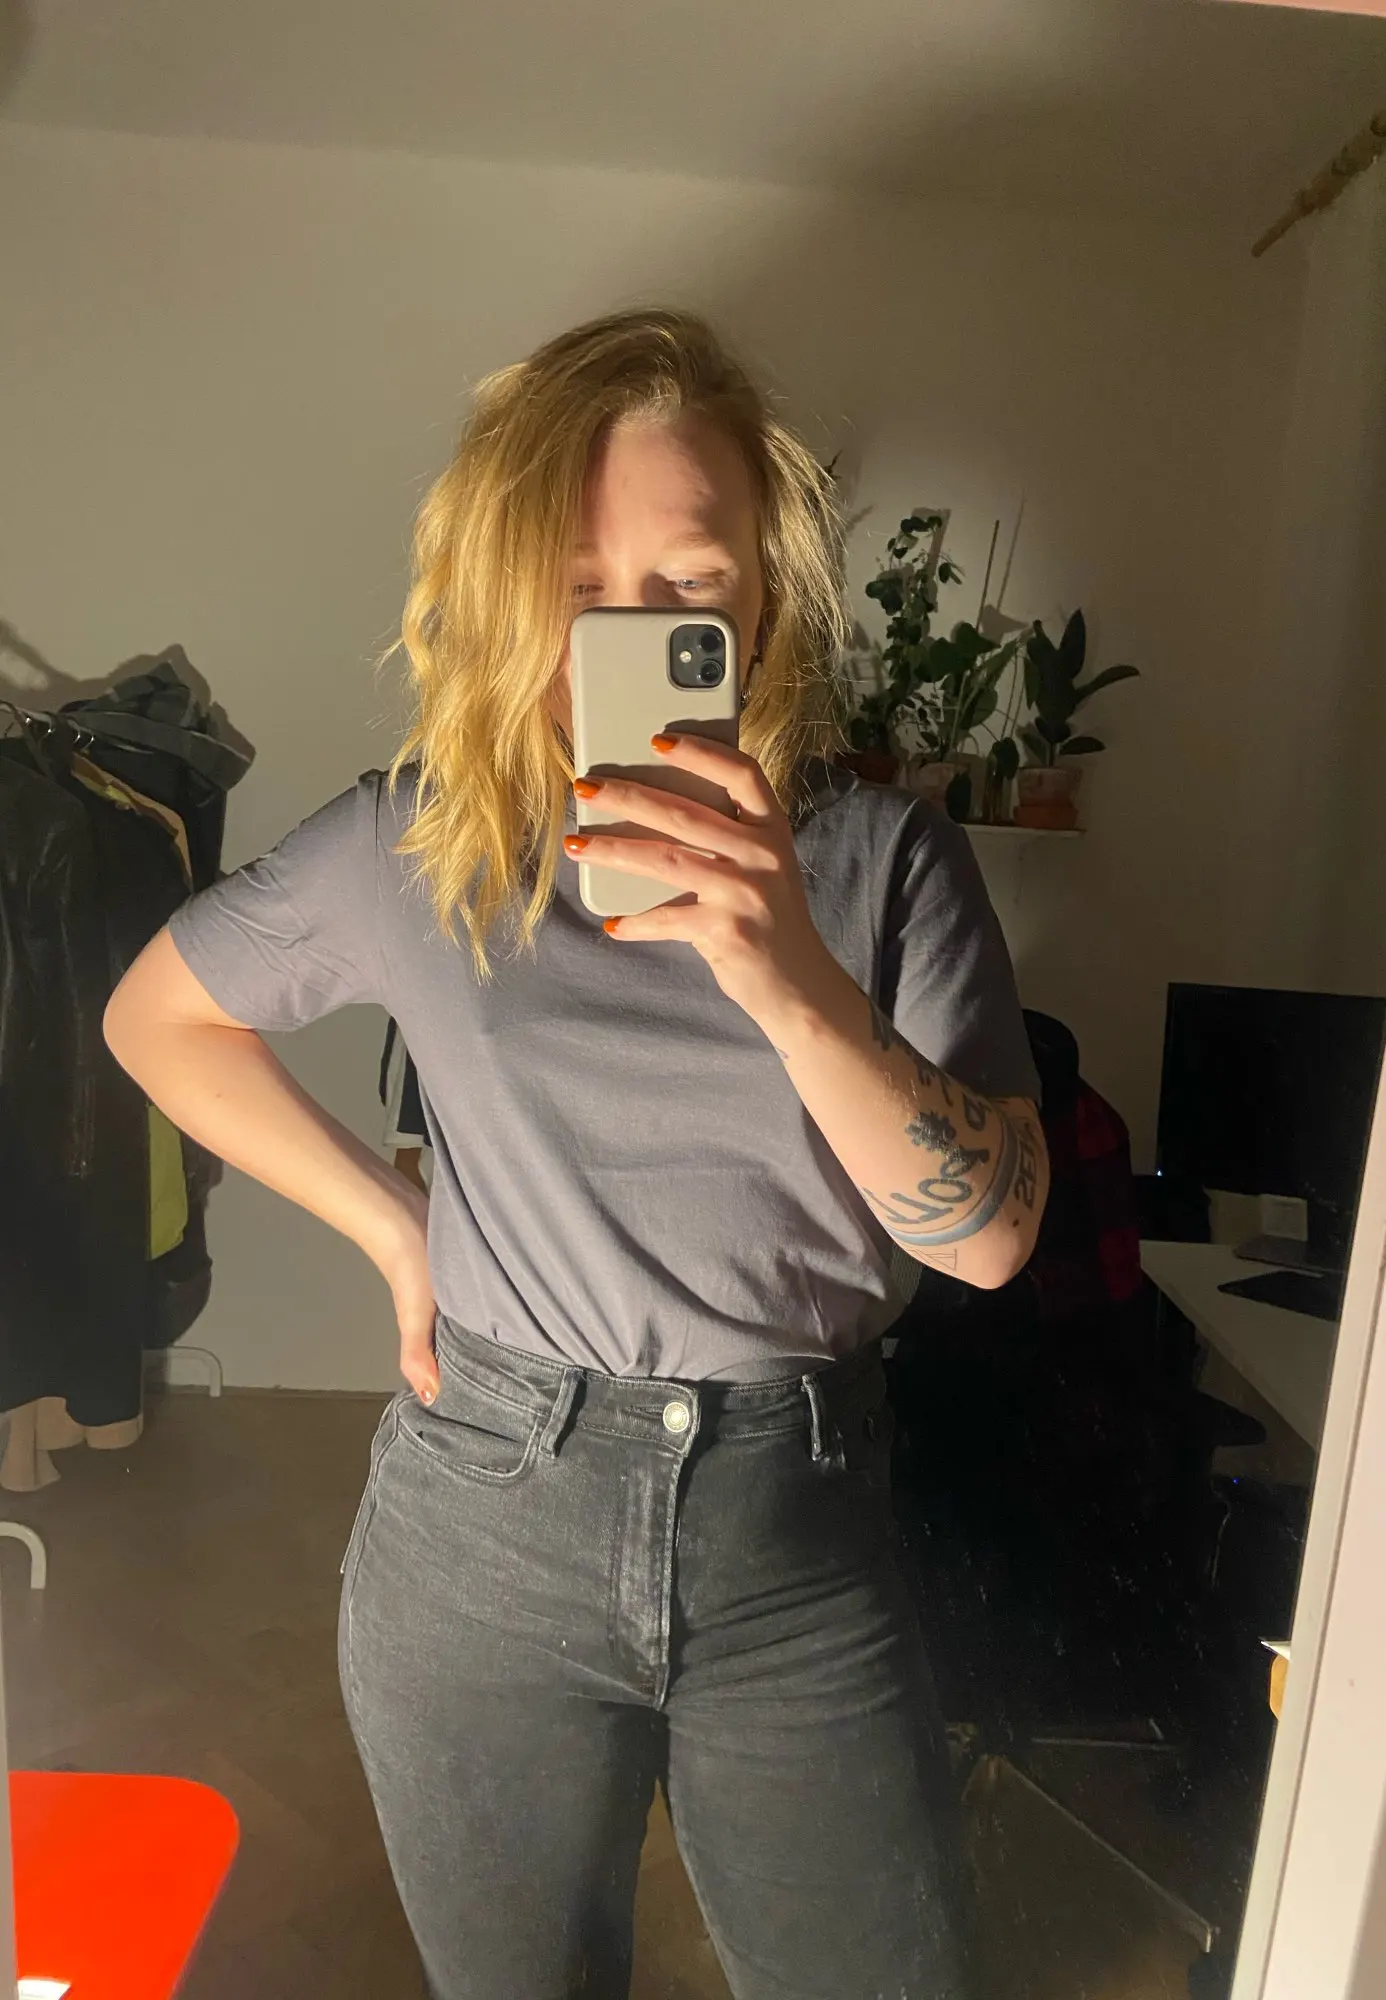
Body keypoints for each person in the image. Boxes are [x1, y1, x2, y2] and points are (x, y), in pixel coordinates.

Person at [103, 309, 1049, 2000]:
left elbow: (989, 1235)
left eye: (691, 585)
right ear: (504, 591)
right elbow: (156, 1018)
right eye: (579, 584)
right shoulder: (418, 841)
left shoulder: (887, 860)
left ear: (766, 602)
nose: (634, 627)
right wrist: (394, 1229)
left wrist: (788, 975)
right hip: (485, 1523)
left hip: (797, 1538)